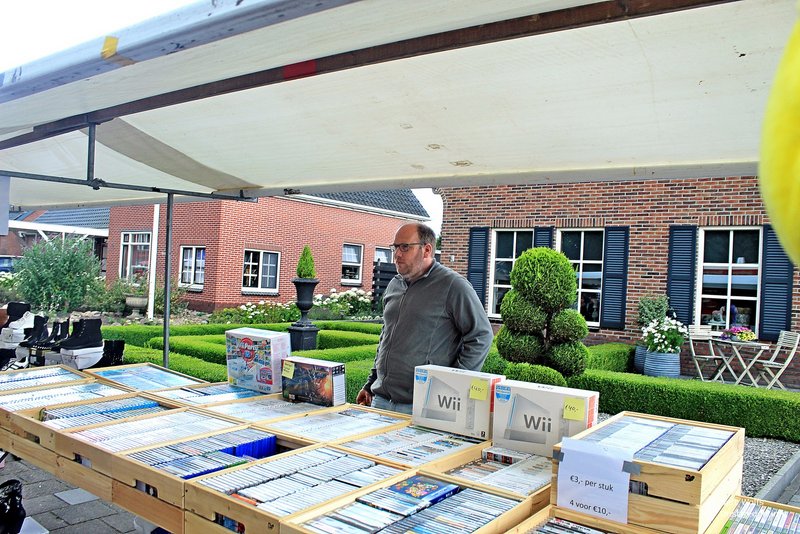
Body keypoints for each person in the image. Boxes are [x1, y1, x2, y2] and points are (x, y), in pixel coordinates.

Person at [356, 223, 494, 414]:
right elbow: (386, 337)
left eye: (405, 247)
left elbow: (481, 336)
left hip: (422, 406)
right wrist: (370, 383)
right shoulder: (394, 284)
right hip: (380, 400)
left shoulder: (454, 286)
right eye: (395, 247)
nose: (397, 254)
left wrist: (453, 384)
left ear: (427, 250)